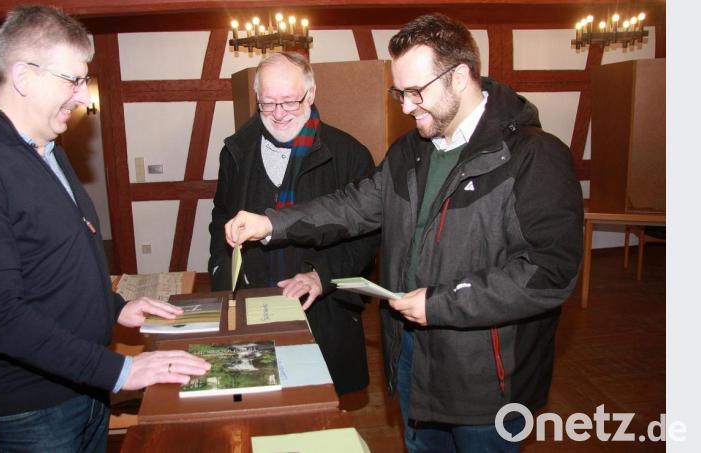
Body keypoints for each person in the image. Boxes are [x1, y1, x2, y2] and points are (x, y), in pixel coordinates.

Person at [224, 13, 584, 452]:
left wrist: (439, 303)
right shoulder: (409, 151)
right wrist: (270, 223)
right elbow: (352, 206)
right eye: (400, 93)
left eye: (416, 91)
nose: (406, 107)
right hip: (411, 357)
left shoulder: (534, 157)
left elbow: (550, 272)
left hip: (486, 380)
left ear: (460, 77)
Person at [0, 6, 210, 451]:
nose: (83, 97)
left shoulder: (48, 151)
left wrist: (114, 307)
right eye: (73, 80)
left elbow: (55, 262)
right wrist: (121, 370)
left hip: (81, 385)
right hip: (26, 411)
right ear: (24, 77)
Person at [208, 51, 379, 395]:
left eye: (289, 101)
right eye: (268, 103)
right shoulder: (236, 152)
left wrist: (321, 275)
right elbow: (220, 216)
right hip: (252, 302)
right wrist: (221, 272)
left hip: (321, 310)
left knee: (316, 404)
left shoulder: (349, 154)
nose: (279, 113)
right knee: (258, 400)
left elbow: (368, 237)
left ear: (310, 94)